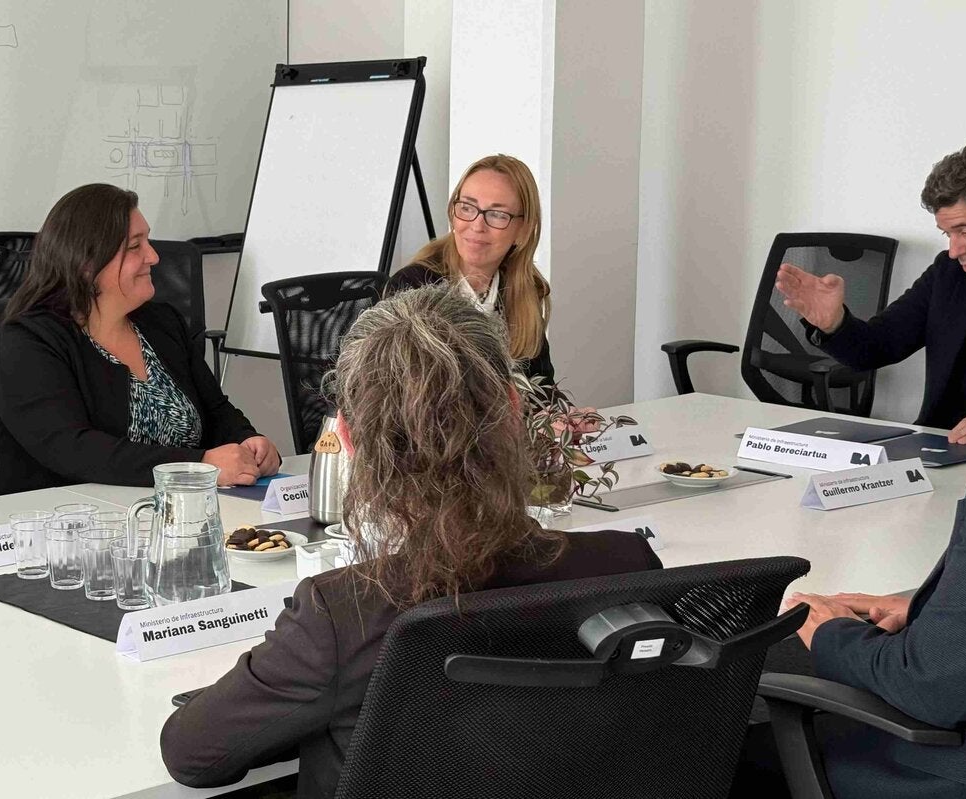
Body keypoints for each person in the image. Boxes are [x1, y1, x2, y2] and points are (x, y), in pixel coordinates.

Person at [158, 285, 661, 798]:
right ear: (514, 410)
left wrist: (314, 709)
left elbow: (191, 753)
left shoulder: (341, 615)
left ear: (348, 439)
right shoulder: (628, 566)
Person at [0, 183, 280, 493]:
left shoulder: (162, 323)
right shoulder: (28, 342)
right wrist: (199, 466)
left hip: (177, 512)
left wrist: (248, 442)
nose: (153, 256)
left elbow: (216, 409)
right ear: (86, 264)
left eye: (148, 242)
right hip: (63, 522)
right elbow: (72, 449)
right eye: (134, 246)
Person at [775, 450, 966, 798]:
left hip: (961, 773)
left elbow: (932, 689)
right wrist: (945, 609)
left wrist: (832, 635)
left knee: (728, 726)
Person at [775, 142, 966, 443]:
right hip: (943, 445)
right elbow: (876, 347)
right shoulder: (949, 274)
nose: (954, 250)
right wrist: (834, 323)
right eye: (948, 235)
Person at [386, 153, 556, 381]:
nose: (477, 226)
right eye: (467, 207)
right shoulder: (411, 288)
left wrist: (566, 415)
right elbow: (393, 396)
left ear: (523, 230)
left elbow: (543, 387)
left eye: (497, 214)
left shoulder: (524, 291)